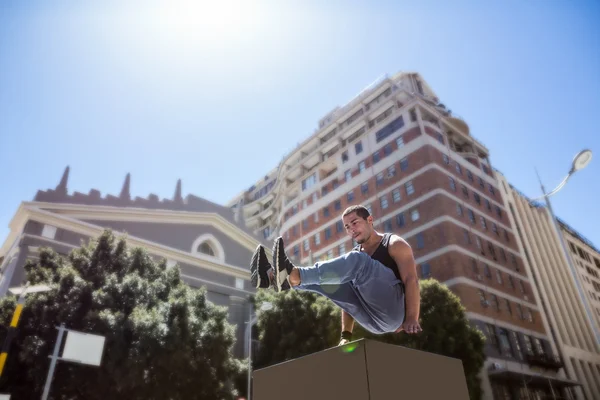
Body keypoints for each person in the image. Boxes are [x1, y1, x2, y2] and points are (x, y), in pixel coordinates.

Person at [250, 204, 422, 345]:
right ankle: (276, 278)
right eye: (347, 227)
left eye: (355, 223)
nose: (351, 230)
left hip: (394, 312)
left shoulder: (394, 244)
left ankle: (295, 275)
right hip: (374, 322)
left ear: (370, 220)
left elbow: (411, 280)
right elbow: (348, 301)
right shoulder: (356, 258)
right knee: (335, 280)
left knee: (357, 261)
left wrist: (412, 317)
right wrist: (345, 335)